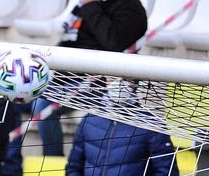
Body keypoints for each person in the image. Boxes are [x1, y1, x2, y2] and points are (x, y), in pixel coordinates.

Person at [33, 0, 147, 158]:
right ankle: (12, 168)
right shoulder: (83, 7)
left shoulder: (129, 7)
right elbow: (70, 43)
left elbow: (114, 43)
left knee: (42, 105)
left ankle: (53, 159)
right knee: (13, 97)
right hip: (66, 78)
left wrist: (90, 6)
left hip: (101, 85)